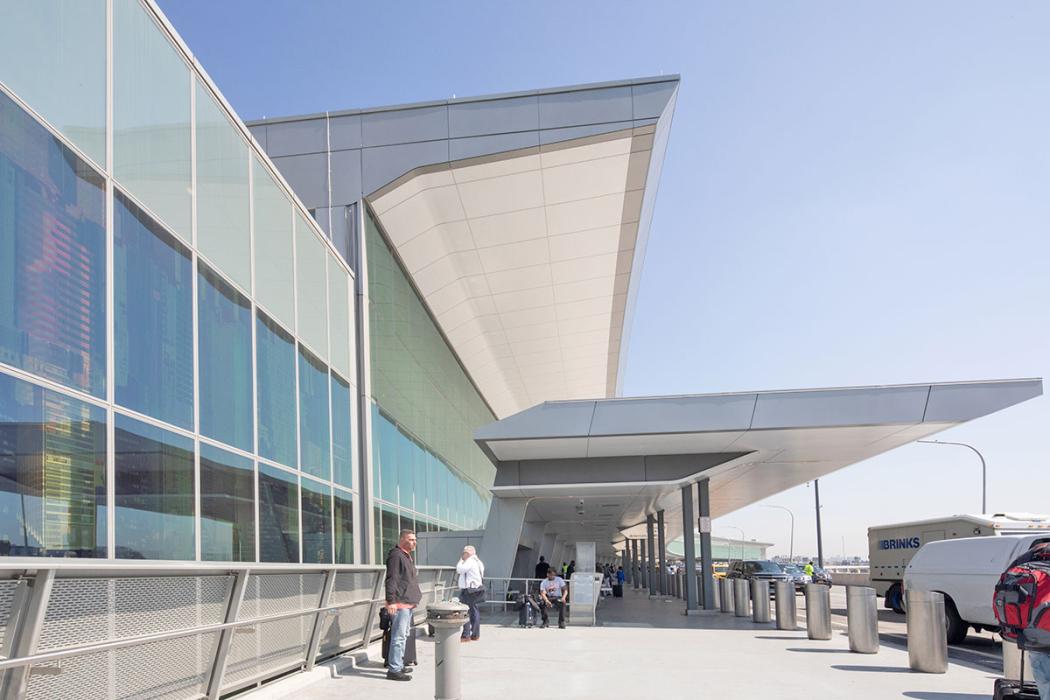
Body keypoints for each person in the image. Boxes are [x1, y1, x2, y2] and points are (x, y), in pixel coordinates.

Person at [384, 529, 421, 682]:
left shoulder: (406, 556)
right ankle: (394, 669)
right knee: (398, 637)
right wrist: (391, 601)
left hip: (407, 603)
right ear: (402, 539)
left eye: (415, 540)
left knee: (403, 636)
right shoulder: (396, 555)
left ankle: (399, 664)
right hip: (400, 603)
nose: (414, 542)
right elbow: (391, 579)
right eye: (411, 539)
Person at [456, 545, 485, 642]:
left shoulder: (470, 561)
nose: (462, 555)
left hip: (469, 590)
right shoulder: (478, 562)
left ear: (467, 553)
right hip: (476, 589)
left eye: (463, 553)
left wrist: (461, 560)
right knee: (474, 611)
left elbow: (459, 569)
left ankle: (466, 635)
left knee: (466, 612)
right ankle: (475, 634)